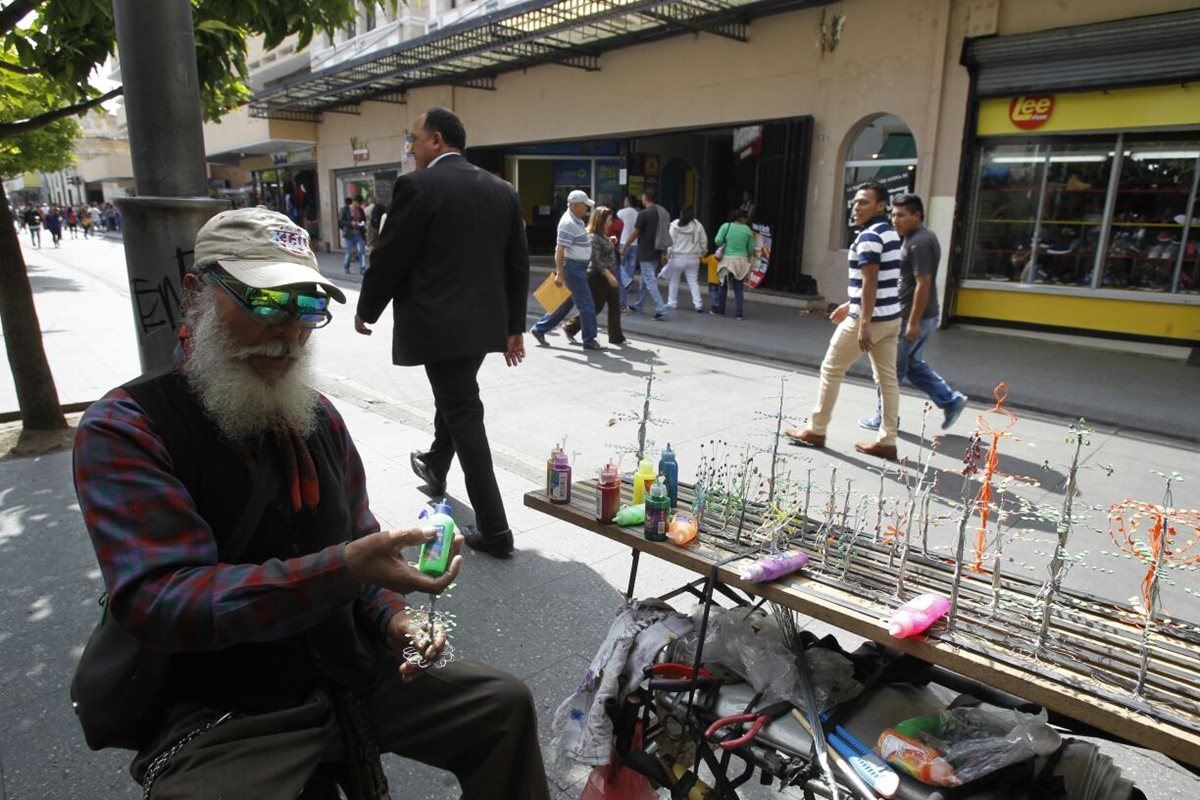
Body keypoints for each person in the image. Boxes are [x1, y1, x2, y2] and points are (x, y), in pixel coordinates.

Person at [72, 206, 549, 799]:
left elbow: (359, 549)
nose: (289, 331)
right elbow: (161, 599)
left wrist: (395, 619)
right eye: (267, 302)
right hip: (230, 704)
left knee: (502, 704)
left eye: (307, 308)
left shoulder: (319, 417)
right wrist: (341, 569)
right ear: (197, 294)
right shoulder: (127, 428)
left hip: (345, 667)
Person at [356, 107, 530, 559]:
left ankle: (495, 530)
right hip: (482, 326)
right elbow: (517, 265)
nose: (410, 148)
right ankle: (435, 464)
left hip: (439, 325)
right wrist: (514, 328)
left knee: (462, 410)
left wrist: (367, 308)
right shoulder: (502, 189)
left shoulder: (418, 186)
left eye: (413, 139)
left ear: (436, 140)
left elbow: (391, 254)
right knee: (455, 398)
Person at [785, 181, 902, 460]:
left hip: (870, 320)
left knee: (831, 369)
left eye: (864, 202)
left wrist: (862, 321)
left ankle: (816, 429)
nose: (856, 206)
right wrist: (851, 303)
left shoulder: (869, 236)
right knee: (887, 380)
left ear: (881, 205)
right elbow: (880, 280)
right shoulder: (891, 234)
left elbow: (871, 280)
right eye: (856, 201)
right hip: (890, 318)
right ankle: (888, 439)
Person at [859, 194, 968, 433]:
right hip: (915, 316)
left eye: (900, 215)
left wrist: (913, 322)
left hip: (913, 317)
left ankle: (885, 418)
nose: (894, 220)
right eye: (893, 215)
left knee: (889, 370)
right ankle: (951, 400)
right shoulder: (914, 238)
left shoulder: (919, 242)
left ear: (916, 216)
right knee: (912, 366)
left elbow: (924, 283)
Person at [528, 190, 603, 351]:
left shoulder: (576, 220)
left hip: (577, 268)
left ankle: (539, 329)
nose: (587, 209)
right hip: (573, 268)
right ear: (576, 206)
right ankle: (589, 341)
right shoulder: (568, 223)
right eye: (585, 206)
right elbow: (559, 250)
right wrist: (560, 274)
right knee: (588, 306)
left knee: (565, 305)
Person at [562, 205, 626, 346]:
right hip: (598, 277)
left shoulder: (603, 235)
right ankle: (570, 327)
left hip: (609, 273)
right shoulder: (592, 237)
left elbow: (604, 249)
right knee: (595, 307)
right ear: (600, 221)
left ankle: (616, 336)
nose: (611, 223)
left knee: (615, 306)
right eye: (609, 220)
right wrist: (609, 276)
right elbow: (596, 260)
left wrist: (611, 241)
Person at [624, 189, 670, 320]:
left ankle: (661, 309)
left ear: (645, 198)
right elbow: (665, 233)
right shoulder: (663, 212)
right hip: (657, 250)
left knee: (649, 280)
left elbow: (634, 233)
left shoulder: (644, 214)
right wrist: (664, 253)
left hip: (645, 251)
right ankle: (639, 304)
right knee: (645, 279)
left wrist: (626, 246)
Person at [659, 205, 707, 312]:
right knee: (693, 282)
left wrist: (668, 254)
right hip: (694, 258)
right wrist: (703, 252)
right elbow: (704, 240)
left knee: (674, 280)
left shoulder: (675, 225)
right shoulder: (698, 225)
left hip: (677, 258)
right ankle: (698, 304)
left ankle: (672, 303)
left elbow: (670, 242)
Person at [710, 209, 754, 319]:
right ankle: (739, 313)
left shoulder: (726, 226)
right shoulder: (747, 230)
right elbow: (751, 249)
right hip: (741, 261)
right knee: (738, 287)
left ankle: (720, 309)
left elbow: (717, 241)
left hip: (727, 261)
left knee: (723, 285)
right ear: (743, 218)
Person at [615, 194, 640, 311]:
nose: (624, 202)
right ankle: (628, 283)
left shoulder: (622, 212)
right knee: (631, 265)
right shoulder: (638, 213)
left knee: (619, 264)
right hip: (635, 243)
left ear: (628, 202)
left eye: (625, 200)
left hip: (624, 241)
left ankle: (624, 281)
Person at [339, 197, 367, 274]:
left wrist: (362, 223)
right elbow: (341, 221)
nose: (358, 205)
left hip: (359, 234)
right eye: (358, 203)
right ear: (354, 202)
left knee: (362, 251)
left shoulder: (360, 210)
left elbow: (364, 219)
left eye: (360, 204)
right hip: (349, 234)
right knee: (349, 252)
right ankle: (346, 266)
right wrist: (350, 223)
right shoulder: (345, 209)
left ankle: (362, 268)